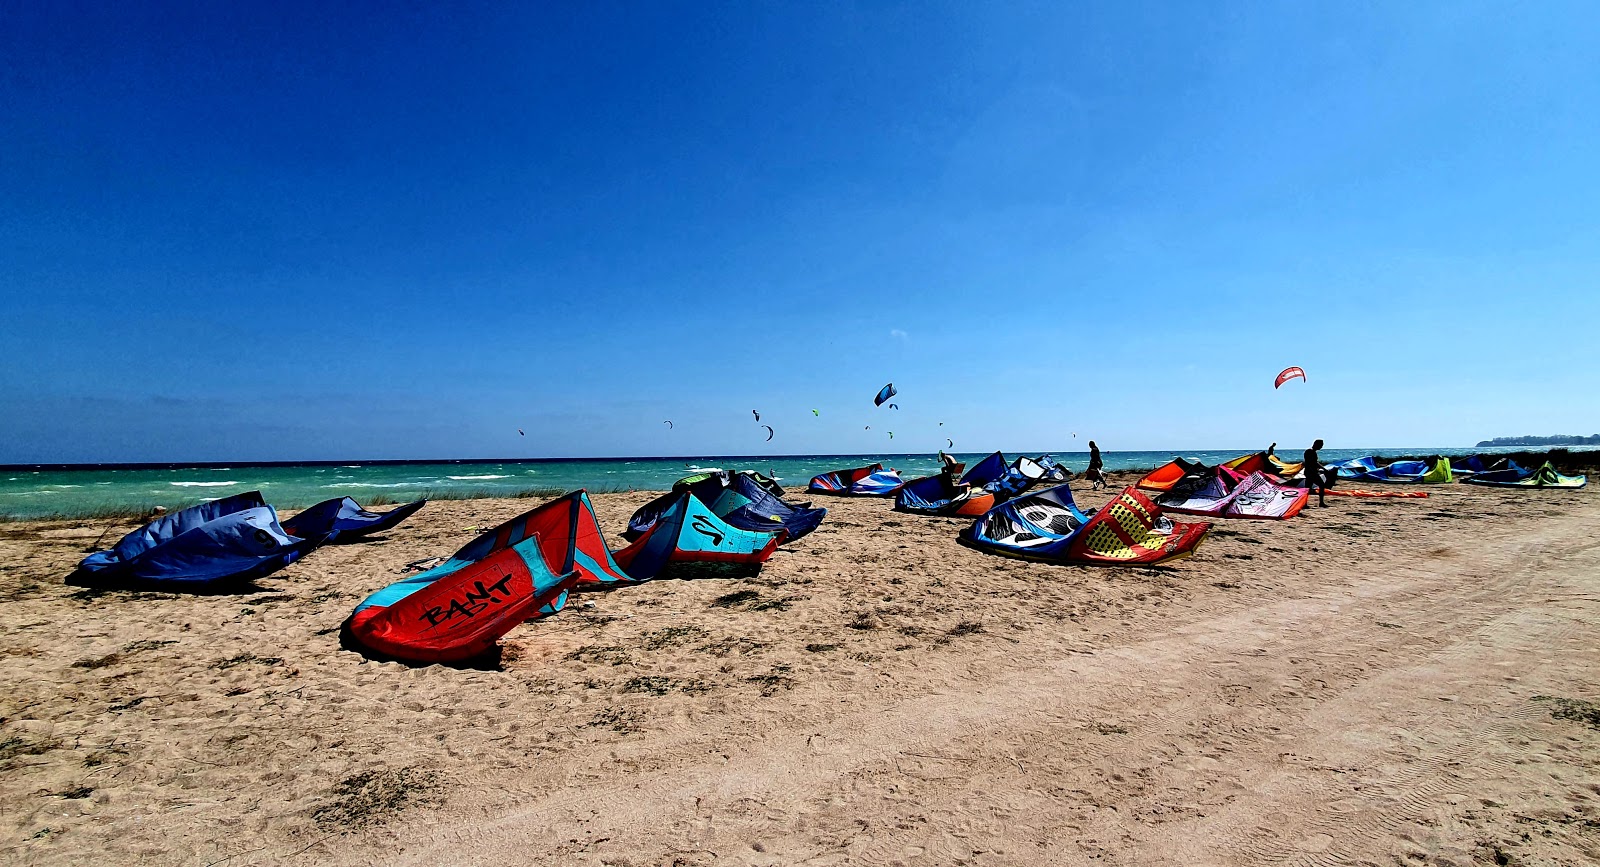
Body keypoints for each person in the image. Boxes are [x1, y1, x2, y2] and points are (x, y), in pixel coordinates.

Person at [1303, 439, 1325, 507]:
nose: (1321, 447)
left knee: (1307, 488)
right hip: (1311, 472)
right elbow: (1310, 463)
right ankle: (1321, 503)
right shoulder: (1310, 451)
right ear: (1316, 444)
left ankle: (1304, 504)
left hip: (1310, 472)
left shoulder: (1313, 452)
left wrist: (1324, 469)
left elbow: (1315, 463)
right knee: (1321, 485)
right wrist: (1314, 471)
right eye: (1320, 445)